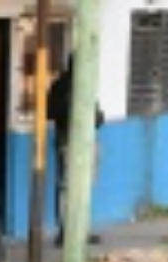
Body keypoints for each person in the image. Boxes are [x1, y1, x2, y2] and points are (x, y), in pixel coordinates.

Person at [46, 52, 104, 247]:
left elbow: (98, 116)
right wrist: (70, 108)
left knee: (83, 187)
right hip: (68, 143)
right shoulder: (61, 86)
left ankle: (80, 230)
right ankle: (66, 232)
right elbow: (50, 112)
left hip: (86, 142)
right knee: (67, 187)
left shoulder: (85, 84)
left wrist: (93, 116)